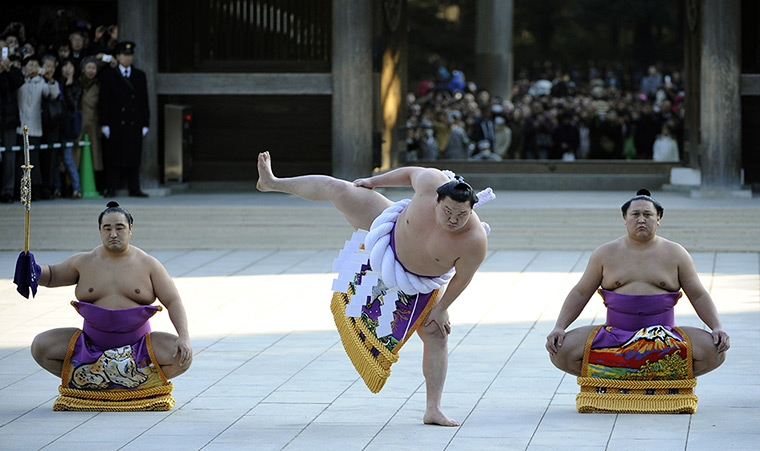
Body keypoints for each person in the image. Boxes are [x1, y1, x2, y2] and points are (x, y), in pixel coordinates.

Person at [256, 151, 490, 426]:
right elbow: (409, 173)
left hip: (417, 285)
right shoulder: (430, 182)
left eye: (461, 215)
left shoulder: (474, 241)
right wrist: (374, 181)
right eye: (447, 211)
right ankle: (272, 182)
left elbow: (462, 278)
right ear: (436, 199)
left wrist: (441, 309)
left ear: (471, 211)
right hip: (386, 230)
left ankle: (433, 409)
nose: (453, 220)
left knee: (436, 336)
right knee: (340, 189)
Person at [546, 190, 729, 379]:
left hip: (665, 336)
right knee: (560, 351)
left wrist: (716, 326)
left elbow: (698, 295)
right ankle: (622, 378)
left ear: (658, 219)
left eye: (648, 214)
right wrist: (559, 326)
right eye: (635, 214)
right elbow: (580, 293)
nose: (641, 219)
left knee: (715, 351)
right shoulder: (605, 253)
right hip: (614, 335)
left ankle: (647, 378)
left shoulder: (676, 253)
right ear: (625, 218)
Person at [26, 201, 192, 384]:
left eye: (119, 228)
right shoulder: (83, 262)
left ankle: (135, 383)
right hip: (90, 346)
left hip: (138, 348)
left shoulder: (149, 264)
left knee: (182, 357)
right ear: (100, 231)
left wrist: (183, 336)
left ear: (130, 229)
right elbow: (51, 275)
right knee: (40, 346)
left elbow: (173, 301)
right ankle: (90, 382)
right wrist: (33, 269)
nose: (113, 234)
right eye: (107, 228)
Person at [99, 41, 149, 197]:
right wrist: (104, 123)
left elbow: (144, 101)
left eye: (129, 55)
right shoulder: (109, 75)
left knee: (133, 156)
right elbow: (104, 101)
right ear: (118, 56)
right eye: (124, 55)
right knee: (114, 156)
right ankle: (111, 188)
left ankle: (134, 188)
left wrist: (145, 123)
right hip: (115, 122)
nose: (127, 58)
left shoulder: (140, 75)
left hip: (134, 122)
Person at [0, 48, 24, 203]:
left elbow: (18, 82)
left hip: (9, 118)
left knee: (10, 156)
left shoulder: (13, 69)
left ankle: (8, 191)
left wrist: (7, 70)